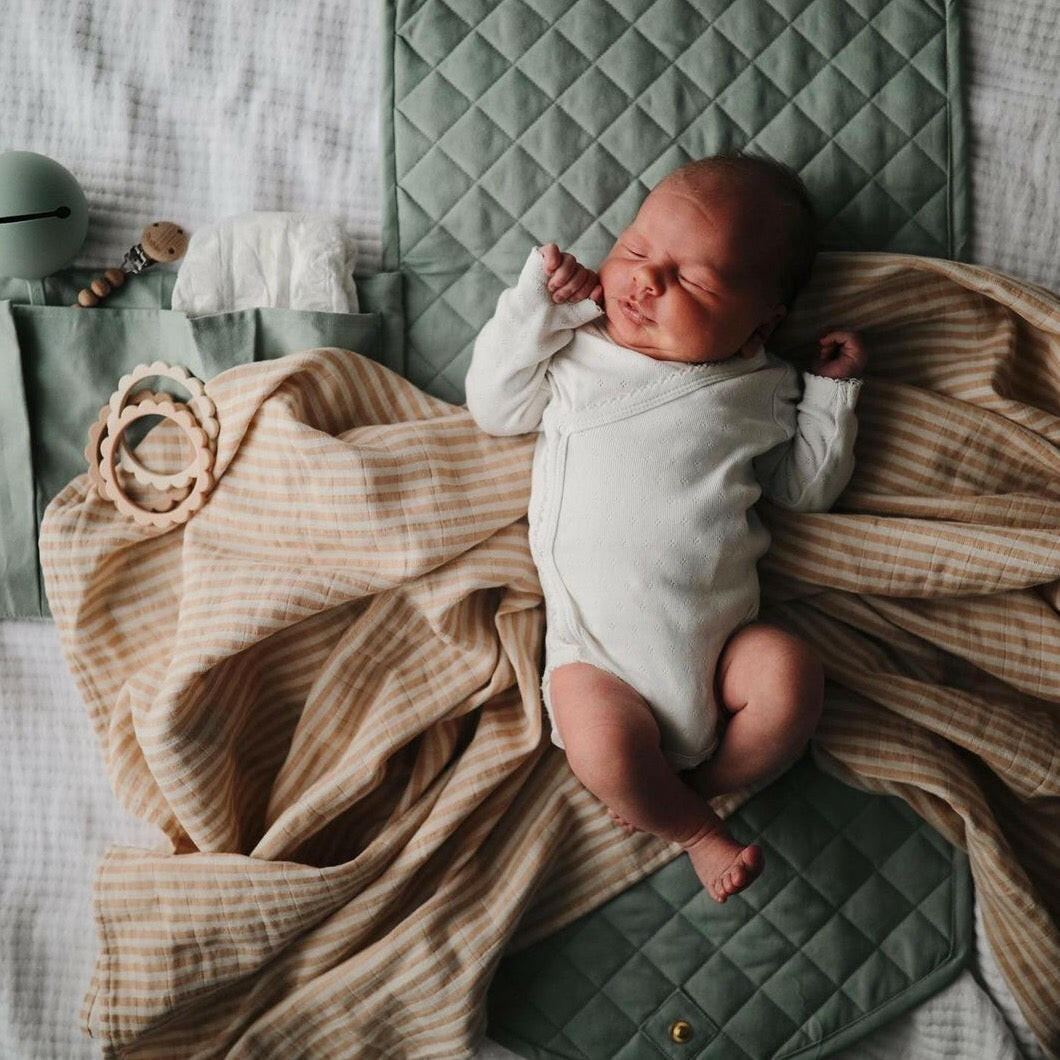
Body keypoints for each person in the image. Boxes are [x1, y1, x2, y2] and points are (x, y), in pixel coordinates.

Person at [464, 153, 867, 903]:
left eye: (694, 281)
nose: (646, 282)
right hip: (600, 658)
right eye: (637, 252)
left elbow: (805, 492)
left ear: (762, 321)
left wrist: (831, 399)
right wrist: (535, 308)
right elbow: (494, 406)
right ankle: (695, 831)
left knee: (790, 678)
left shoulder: (764, 385)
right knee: (601, 748)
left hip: (723, 654)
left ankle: (707, 784)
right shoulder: (577, 347)